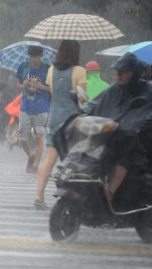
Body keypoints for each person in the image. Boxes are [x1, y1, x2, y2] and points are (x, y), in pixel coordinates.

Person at [82, 53, 152, 202]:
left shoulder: (148, 91)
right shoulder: (114, 89)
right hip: (119, 135)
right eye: (116, 70)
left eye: (123, 71)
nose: (118, 74)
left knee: (124, 155)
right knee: (93, 148)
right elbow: (95, 104)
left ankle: (110, 193)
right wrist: (82, 114)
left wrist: (139, 126)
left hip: (144, 140)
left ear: (134, 73)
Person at [34, 40, 86, 209]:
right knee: (74, 159)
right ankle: (73, 195)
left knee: (49, 158)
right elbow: (82, 98)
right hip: (72, 120)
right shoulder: (80, 71)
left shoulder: (51, 70)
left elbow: (54, 91)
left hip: (54, 118)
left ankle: (39, 196)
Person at [16, 45, 50, 175]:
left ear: (41, 56)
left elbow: (53, 89)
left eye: (35, 56)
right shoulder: (24, 67)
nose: (33, 59)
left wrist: (41, 86)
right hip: (26, 106)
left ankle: (36, 166)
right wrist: (23, 85)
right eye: (31, 56)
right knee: (22, 137)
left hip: (42, 107)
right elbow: (18, 84)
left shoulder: (48, 69)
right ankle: (31, 156)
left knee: (39, 137)